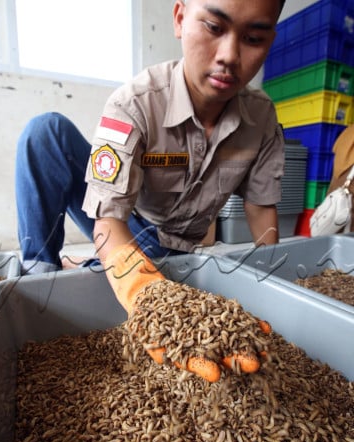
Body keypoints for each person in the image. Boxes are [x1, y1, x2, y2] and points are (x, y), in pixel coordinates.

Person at [15, 0, 286, 381]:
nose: (229, 56)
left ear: (269, 40)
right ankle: (37, 275)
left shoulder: (261, 119)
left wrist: (275, 288)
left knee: (107, 277)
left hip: (174, 244)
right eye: (213, 27)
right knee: (47, 133)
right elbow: (108, 218)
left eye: (253, 38)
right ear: (179, 18)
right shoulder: (135, 103)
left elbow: (261, 208)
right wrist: (144, 292)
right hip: (124, 220)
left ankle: (84, 266)